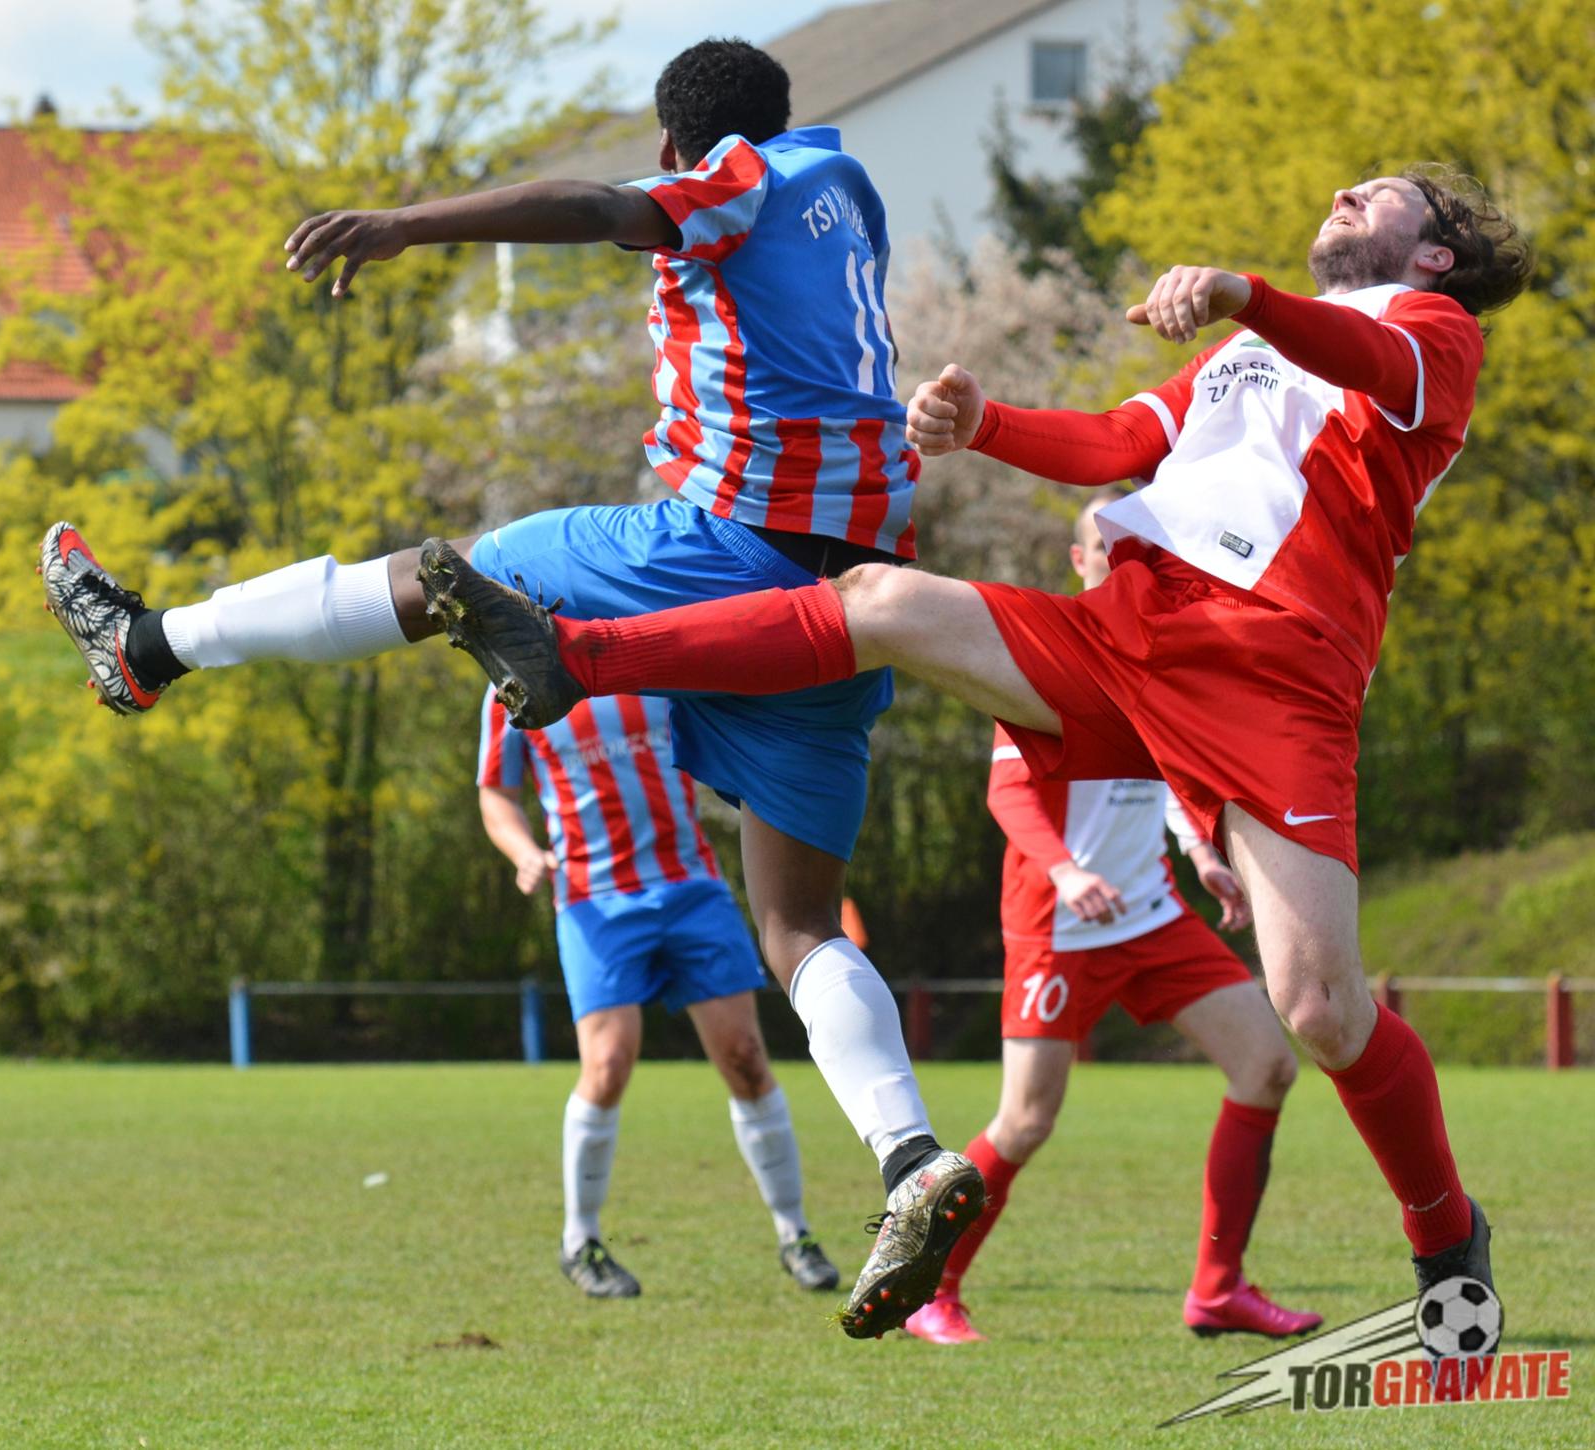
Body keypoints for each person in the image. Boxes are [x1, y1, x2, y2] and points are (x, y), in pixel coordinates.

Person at [404, 167, 1533, 1318]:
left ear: (1435, 253)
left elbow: (1369, 360)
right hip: (1130, 629)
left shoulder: (1433, 330)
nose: (1343, 188)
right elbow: (1117, 439)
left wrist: (1243, 291)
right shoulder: (1243, 350)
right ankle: (575, 655)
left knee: (1320, 1009)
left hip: (1271, 676)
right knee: (881, 598)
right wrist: (985, 425)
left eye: (1382, 193)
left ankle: (1444, 1229)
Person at [40, 37, 980, 1338]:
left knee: (453, 572)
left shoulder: (736, 177)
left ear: (677, 144)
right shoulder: (846, 188)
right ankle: (909, 1156)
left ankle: (149, 648)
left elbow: (604, 208)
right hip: (855, 596)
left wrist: (407, 225)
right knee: (801, 926)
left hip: (724, 550)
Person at [904, 494, 1319, 1345]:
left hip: (1151, 913)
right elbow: (1009, 793)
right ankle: (925, 1287)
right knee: (1025, 1121)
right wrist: (1066, 871)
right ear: (1078, 559)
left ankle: (1218, 1290)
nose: (1124, 560)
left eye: (1140, 547)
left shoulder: (1166, 655)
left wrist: (1202, 853)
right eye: (1106, 546)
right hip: (1057, 923)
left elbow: (1167, 777)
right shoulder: (1043, 653)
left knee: (1268, 1065)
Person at [477, 683, 838, 1297]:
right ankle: (580, 1242)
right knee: (607, 1063)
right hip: (594, 899)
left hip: (690, 886)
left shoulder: (652, 646)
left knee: (746, 1059)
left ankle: (795, 1234)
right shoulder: (509, 679)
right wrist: (523, 852)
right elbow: (496, 792)